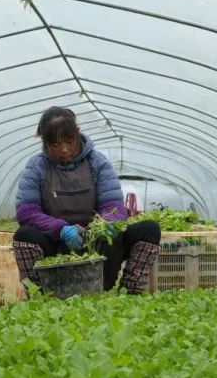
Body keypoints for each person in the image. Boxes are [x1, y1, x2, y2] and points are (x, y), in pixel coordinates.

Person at [12, 107, 161, 294]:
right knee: (24, 235)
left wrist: (108, 224)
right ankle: (40, 294)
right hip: (58, 243)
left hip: (99, 244)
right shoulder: (37, 167)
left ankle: (130, 291)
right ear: (44, 141)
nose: (64, 150)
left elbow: (113, 205)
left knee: (149, 229)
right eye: (56, 145)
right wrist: (61, 229)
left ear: (77, 134)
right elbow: (27, 213)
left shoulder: (97, 162)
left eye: (69, 141)